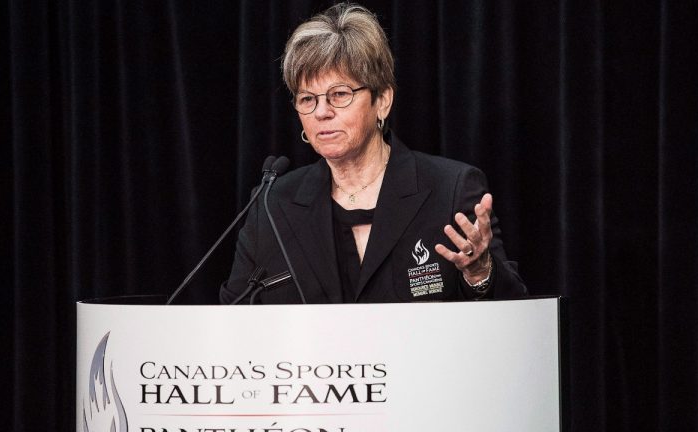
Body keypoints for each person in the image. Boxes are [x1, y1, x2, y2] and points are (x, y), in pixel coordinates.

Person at [221, 3, 526, 304]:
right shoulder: (273, 206)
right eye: (307, 99)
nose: (321, 112)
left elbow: (514, 315)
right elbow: (232, 319)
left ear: (382, 101)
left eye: (339, 94)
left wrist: (480, 274)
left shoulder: (451, 189)